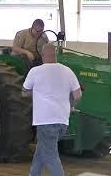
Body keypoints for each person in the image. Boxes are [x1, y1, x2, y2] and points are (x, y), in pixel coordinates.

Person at [22, 43, 82, 176]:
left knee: (50, 157)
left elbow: (24, 92)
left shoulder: (35, 71)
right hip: (62, 122)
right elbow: (78, 95)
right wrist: (71, 106)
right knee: (41, 151)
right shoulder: (68, 71)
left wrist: (36, 92)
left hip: (45, 122)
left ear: (43, 56)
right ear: (56, 55)